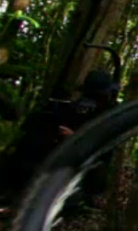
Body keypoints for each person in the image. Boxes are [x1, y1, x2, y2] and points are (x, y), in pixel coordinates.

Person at [0, 70, 119, 200]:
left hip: (72, 178)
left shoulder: (107, 119)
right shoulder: (65, 110)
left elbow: (102, 157)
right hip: (43, 168)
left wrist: (77, 139)